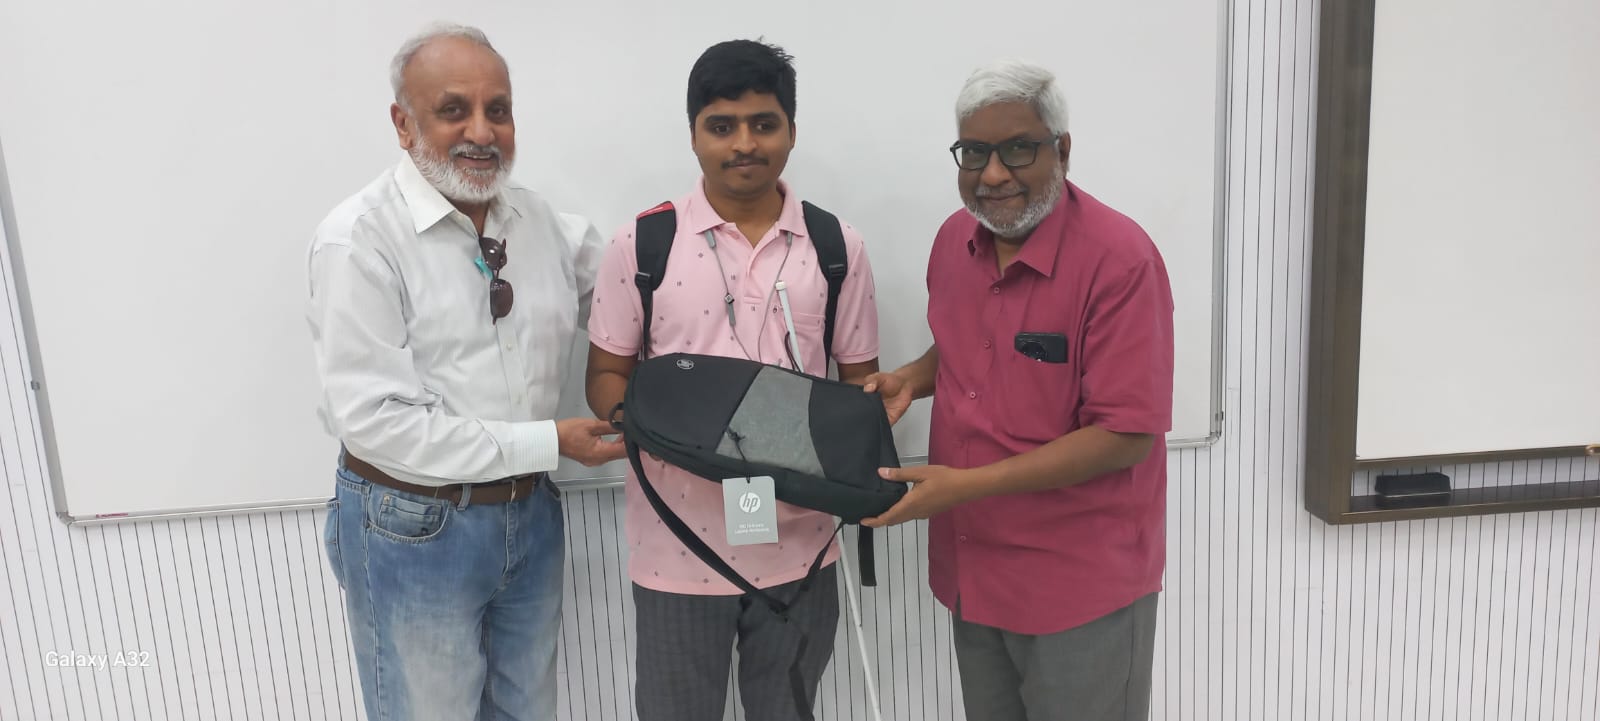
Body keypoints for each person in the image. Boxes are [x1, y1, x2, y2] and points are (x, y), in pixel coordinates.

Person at [306, 22, 623, 721]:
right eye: (454, 109)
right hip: (413, 525)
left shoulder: (540, 223)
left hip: (530, 517)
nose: (482, 131)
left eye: (498, 109)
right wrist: (550, 442)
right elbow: (377, 423)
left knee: (526, 711)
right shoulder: (359, 239)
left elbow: (630, 307)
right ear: (403, 121)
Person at [862, 58, 1175, 721]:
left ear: (1061, 150)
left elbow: (1125, 434)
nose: (994, 174)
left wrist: (963, 485)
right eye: (974, 152)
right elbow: (972, 344)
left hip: (1079, 584)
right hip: (975, 570)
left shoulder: (1121, 261)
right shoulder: (954, 242)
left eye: (1017, 149)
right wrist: (913, 379)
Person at [584, 39, 881, 721]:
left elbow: (859, 389)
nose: (744, 143)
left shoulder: (837, 248)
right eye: (722, 125)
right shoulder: (642, 243)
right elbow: (605, 373)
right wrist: (654, 426)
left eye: (763, 123)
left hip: (805, 548)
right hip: (677, 547)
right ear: (694, 134)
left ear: (792, 130)